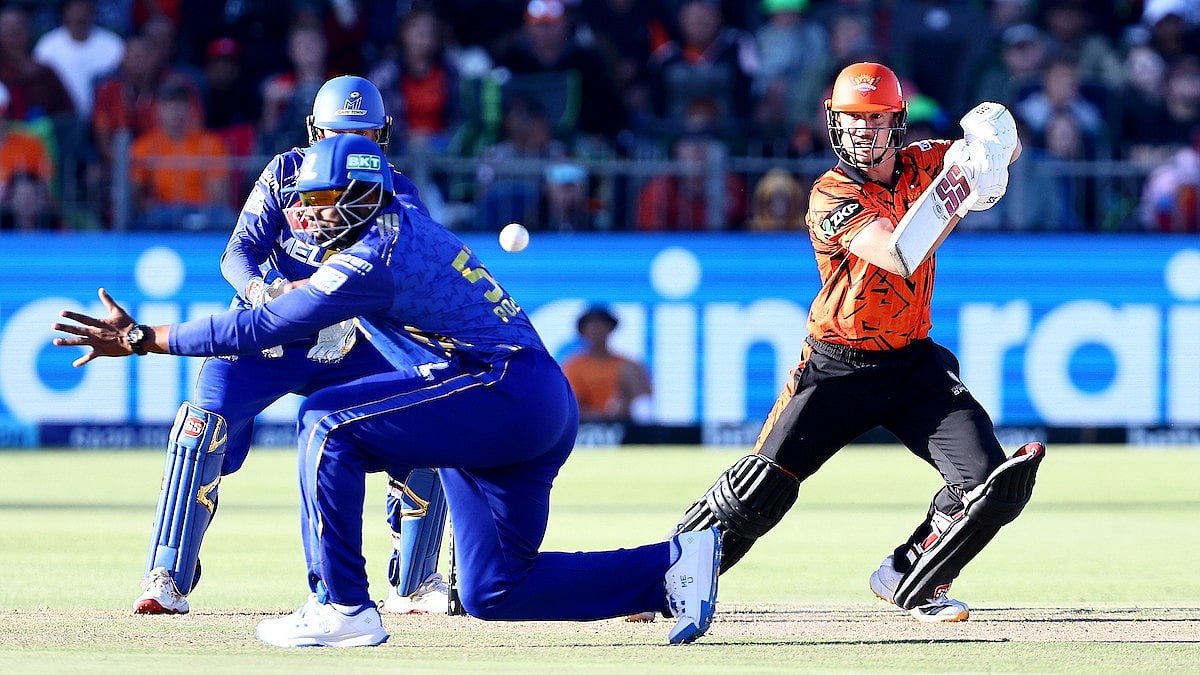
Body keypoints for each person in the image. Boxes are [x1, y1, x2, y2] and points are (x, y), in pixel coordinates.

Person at [52, 131, 722, 648]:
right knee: (495, 589)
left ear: (363, 196)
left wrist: (143, 337)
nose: (308, 220)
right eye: (304, 204)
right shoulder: (390, 219)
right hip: (520, 400)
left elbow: (263, 322)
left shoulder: (375, 254)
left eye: (322, 204)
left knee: (325, 421)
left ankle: (343, 604)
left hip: (498, 389)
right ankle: (671, 570)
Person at [660, 62, 1045, 623]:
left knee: (990, 484)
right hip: (836, 367)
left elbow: (998, 154)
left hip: (913, 364)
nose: (863, 130)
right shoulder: (829, 195)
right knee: (759, 492)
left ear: (897, 121)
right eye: (852, 119)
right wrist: (961, 188)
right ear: (834, 122)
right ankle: (659, 580)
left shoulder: (925, 162)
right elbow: (898, 252)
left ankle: (912, 578)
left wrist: (994, 138)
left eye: (875, 118)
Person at [126, 75, 450, 618]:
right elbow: (237, 255)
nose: (351, 148)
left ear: (383, 137)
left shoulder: (398, 192)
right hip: (267, 335)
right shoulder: (284, 175)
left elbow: (414, 279)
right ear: (314, 132)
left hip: (354, 339)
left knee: (429, 420)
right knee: (198, 430)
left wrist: (359, 311)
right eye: (337, 135)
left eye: (365, 136)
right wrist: (265, 294)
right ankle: (167, 575)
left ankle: (415, 583)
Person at [562, 305, 653, 422]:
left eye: (601, 325)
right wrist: (597, 416)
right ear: (582, 332)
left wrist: (624, 406)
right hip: (586, 426)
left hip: (626, 426)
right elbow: (571, 404)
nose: (597, 330)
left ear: (610, 329)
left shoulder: (628, 365)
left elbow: (644, 402)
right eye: (591, 326)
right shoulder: (573, 366)